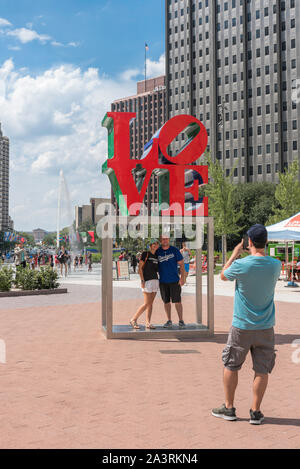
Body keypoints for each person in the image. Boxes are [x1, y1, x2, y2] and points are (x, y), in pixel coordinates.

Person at [212, 224, 281, 425]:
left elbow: (223, 275)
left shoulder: (242, 265)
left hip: (242, 325)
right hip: (266, 326)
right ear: (266, 242)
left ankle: (229, 407)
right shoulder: (275, 265)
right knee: (262, 369)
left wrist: (234, 253)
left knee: (231, 365)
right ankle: (256, 411)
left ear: (248, 242)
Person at [156, 235, 186, 328]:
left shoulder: (174, 250)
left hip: (174, 280)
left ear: (169, 240)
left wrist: (183, 278)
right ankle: (169, 320)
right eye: (163, 239)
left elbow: (181, 265)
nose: (165, 240)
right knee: (166, 302)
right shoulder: (158, 251)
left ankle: (181, 320)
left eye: (166, 239)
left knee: (177, 301)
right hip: (163, 281)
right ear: (161, 240)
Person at [130, 240, 160, 330]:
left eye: (157, 244)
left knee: (150, 304)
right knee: (147, 303)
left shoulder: (157, 256)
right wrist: (142, 280)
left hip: (155, 280)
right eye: (153, 244)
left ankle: (148, 322)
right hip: (147, 281)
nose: (155, 245)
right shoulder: (145, 254)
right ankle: (133, 319)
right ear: (150, 245)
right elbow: (140, 268)